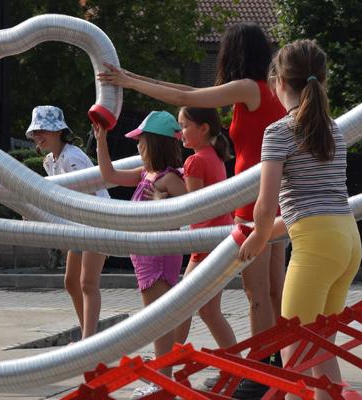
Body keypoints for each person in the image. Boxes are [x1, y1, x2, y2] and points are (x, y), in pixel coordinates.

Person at [98, 24, 288, 371]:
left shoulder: (249, 88)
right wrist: (132, 76)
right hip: (272, 198)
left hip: (252, 201)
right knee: (274, 293)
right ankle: (274, 361)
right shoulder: (266, 90)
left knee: (257, 294)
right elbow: (191, 92)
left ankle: (262, 370)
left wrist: (131, 83)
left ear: (235, 53)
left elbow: (187, 98)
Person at [238, 39, 360, 400]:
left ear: (278, 83)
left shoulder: (279, 132)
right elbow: (311, 208)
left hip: (317, 246)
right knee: (321, 351)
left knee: (294, 357)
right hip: (347, 240)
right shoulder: (333, 130)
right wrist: (264, 233)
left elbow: (266, 203)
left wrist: (258, 237)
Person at [94, 111, 186, 399]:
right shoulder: (146, 175)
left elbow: (190, 209)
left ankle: (162, 382)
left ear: (155, 144)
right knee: (156, 318)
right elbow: (108, 175)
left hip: (158, 256)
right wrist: (101, 142)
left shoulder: (169, 178)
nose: (137, 147)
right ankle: (163, 379)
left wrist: (162, 201)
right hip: (145, 256)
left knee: (157, 320)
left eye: (141, 142)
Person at [27, 105, 110, 340]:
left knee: (87, 283)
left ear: (58, 131)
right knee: (72, 282)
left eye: (43, 130)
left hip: (96, 221)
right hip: (78, 225)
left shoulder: (72, 158)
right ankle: (88, 333)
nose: (37, 136)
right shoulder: (50, 161)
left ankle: (89, 340)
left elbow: (89, 196)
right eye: (35, 131)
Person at [171, 107, 237, 350]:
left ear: (204, 128)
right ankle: (236, 364)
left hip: (205, 242)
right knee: (208, 311)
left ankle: (165, 360)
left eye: (185, 125)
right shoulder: (214, 156)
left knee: (182, 304)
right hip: (219, 239)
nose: (181, 132)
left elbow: (193, 207)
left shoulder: (195, 161)